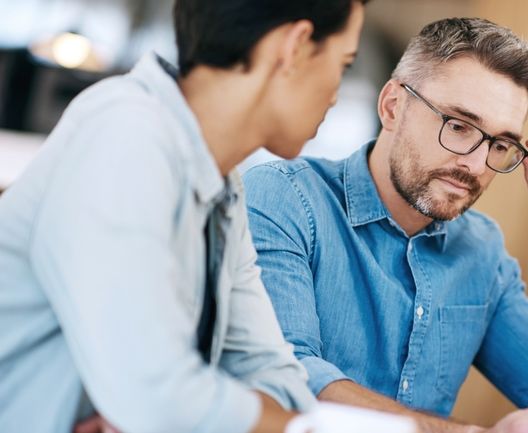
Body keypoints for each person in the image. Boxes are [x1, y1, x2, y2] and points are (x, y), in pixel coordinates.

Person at [242, 17, 528, 433]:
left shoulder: (481, 251)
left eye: (499, 144)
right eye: (459, 126)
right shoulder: (284, 199)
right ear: (393, 106)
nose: (477, 165)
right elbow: (288, 377)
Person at [0, 0, 366, 432]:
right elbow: (158, 396)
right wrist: (175, 411)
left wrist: (183, 413)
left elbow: (279, 379)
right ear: (296, 46)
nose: (335, 94)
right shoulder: (126, 134)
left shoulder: (223, 187)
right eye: (342, 65)